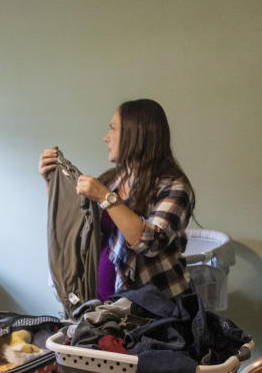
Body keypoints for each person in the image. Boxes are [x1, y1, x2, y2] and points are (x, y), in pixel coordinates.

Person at [38, 98, 195, 300]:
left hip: (155, 313)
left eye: (112, 129)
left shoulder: (175, 187)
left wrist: (106, 198)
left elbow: (152, 242)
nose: (106, 138)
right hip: (103, 310)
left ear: (135, 135)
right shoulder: (113, 180)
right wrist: (50, 181)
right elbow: (75, 226)